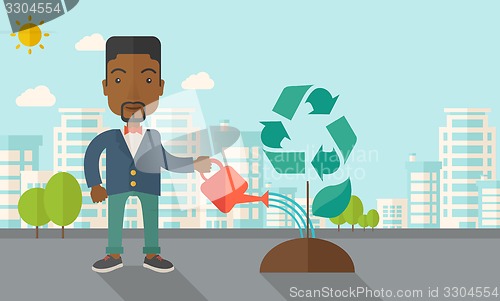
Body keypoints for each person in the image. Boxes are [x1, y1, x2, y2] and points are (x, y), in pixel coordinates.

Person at [84, 36, 211, 273]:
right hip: (117, 185)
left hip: (148, 184)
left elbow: (166, 160)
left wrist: (194, 164)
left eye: (148, 79)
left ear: (160, 87)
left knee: (150, 218)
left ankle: (152, 253)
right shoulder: (109, 137)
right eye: (119, 79)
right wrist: (95, 185)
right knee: (115, 218)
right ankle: (113, 253)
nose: (133, 94)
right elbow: (92, 155)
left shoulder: (153, 137)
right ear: (106, 87)